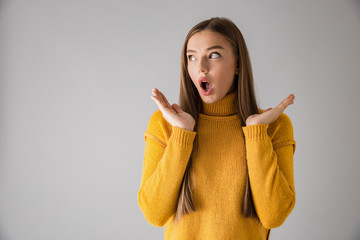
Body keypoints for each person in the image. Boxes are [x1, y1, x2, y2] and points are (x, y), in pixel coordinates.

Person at [138, 17, 296, 240]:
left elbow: (273, 216)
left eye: (213, 55)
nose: (201, 68)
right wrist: (182, 135)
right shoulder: (165, 124)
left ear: (238, 64)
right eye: (191, 57)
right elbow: (154, 214)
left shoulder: (274, 126)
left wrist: (256, 133)